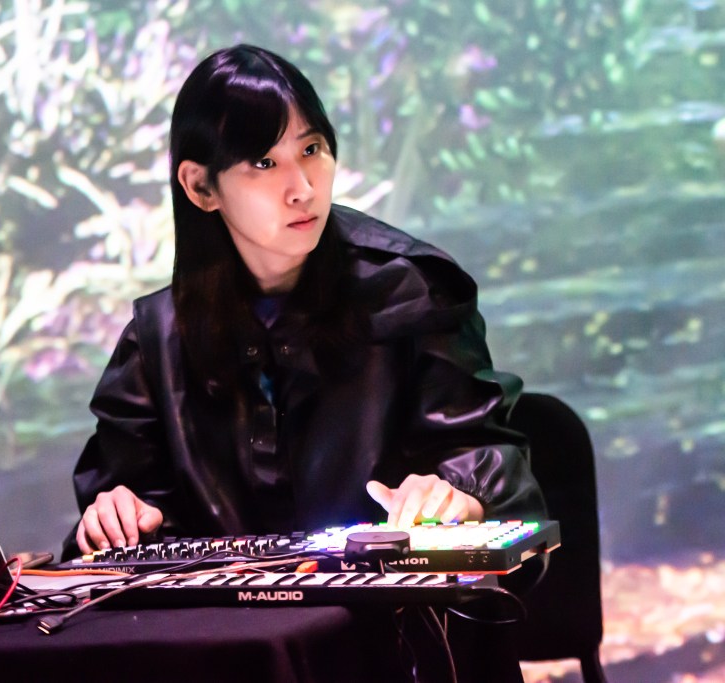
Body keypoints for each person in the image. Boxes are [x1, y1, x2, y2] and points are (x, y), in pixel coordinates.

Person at [64, 43, 546, 683]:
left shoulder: (412, 290)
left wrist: (460, 492)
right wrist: (116, 517)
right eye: (265, 163)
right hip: (232, 660)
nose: (303, 188)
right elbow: (124, 520)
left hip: (399, 654)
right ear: (201, 187)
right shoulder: (157, 339)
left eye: (312, 149)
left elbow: (494, 465)